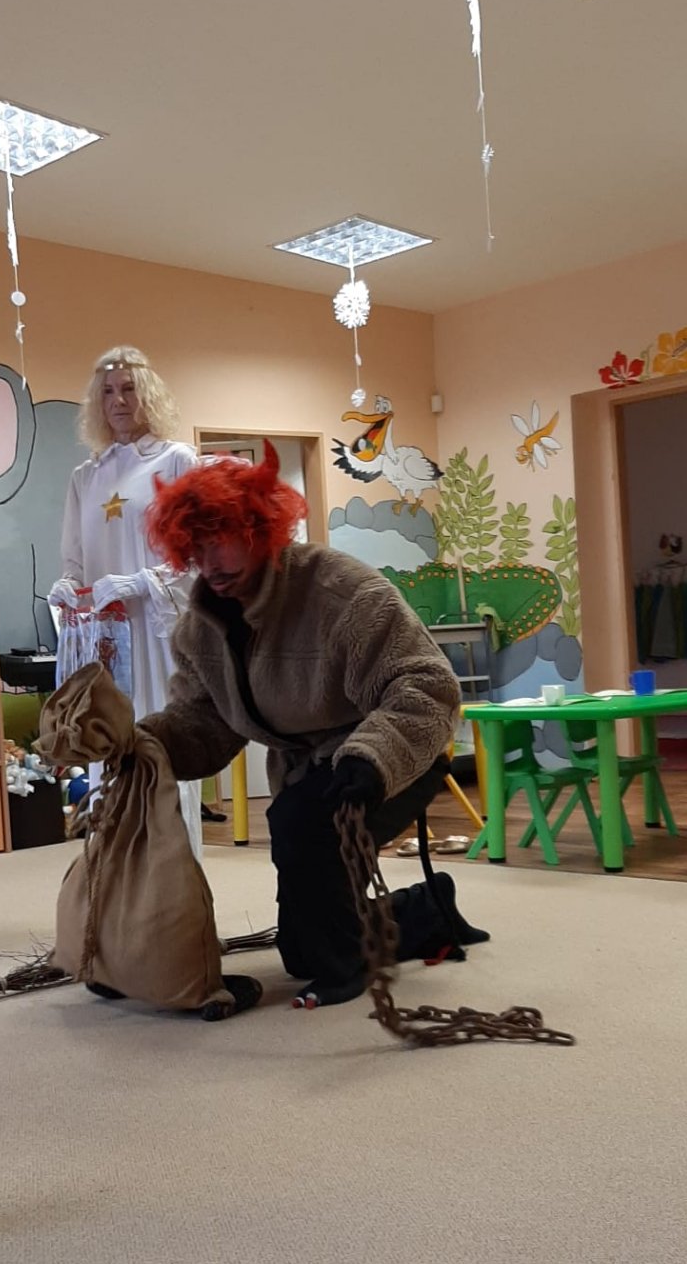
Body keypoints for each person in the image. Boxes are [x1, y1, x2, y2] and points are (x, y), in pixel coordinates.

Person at [140, 446, 485, 1008]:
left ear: (261, 529)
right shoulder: (198, 630)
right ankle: (427, 909)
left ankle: (346, 970)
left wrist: (371, 757)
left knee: (302, 827)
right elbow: (205, 724)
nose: (210, 561)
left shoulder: (342, 590)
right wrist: (145, 744)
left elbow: (428, 685)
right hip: (310, 773)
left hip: (393, 756)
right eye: (196, 546)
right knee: (301, 949)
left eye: (222, 539)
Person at [48, 347, 202, 852]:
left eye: (130, 389)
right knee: (106, 750)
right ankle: (114, 875)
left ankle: (176, 875)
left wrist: (141, 582)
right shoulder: (85, 476)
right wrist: (67, 585)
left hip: (157, 634)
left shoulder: (176, 461)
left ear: (147, 394)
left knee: (160, 749)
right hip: (104, 640)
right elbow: (74, 558)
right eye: (109, 392)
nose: (119, 401)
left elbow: (197, 554)